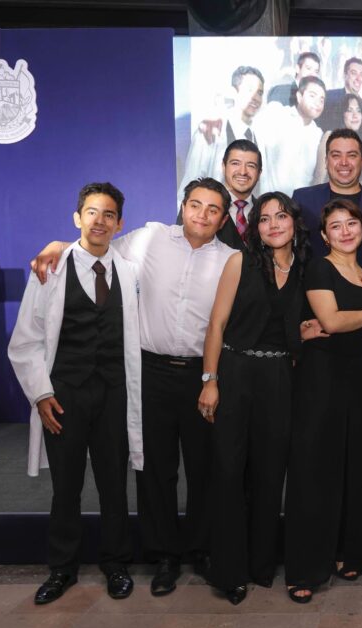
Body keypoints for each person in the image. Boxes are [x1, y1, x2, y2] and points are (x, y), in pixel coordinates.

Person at [31, 177, 240, 596]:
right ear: (183, 206)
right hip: (150, 373)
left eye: (212, 209)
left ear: (223, 219)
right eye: (195, 205)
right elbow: (95, 245)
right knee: (155, 470)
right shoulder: (149, 238)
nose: (202, 214)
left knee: (204, 468)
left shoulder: (232, 258)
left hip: (203, 374)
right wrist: (57, 244)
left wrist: (211, 378)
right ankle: (164, 557)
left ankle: (201, 550)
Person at [9, 182, 141, 604]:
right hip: (63, 394)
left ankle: (116, 564)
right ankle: (62, 569)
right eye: (91, 212)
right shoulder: (50, 269)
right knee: (65, 486)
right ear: (76, 218)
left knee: (113, 484)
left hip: (114, 393)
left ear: (120, 223)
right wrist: (40, 394)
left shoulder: (130, 269)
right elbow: (26, 338)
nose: (99, 221)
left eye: (108, 215)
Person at [198, 192, 317, 604]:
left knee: (270, 474)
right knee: (229, 472)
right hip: (234, 373)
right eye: (264, 219)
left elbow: (295, 325)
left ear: (294, 222)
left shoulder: (305, 268)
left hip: (280, 378)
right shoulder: (240, 262)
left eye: (281, 216)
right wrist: (210, 380)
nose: (273, 225)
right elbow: (216, 325)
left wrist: (305, 334)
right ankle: (229, 571)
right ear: (256, 228)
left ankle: (260, 565)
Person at [285, 199, 362, 603]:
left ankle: (345, 552)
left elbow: (359, 329)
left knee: (351, 465)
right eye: (335, 226)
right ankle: (304, 568)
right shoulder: (320, 268)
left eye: (351, 223)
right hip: (321, 378)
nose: (345, 231)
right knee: (315, 469)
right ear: (324, 235)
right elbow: (332, 322)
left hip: (354, 375)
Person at [293, 128, 362, 423]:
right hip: (315, 324)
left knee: (360, 406)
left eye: (351, 155)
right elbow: (294, 261)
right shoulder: (302, 199)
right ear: (326, 160)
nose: (343, 162)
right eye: (336, 155)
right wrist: (297, 321)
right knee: (316, 405)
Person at [178, 66, 264, 204]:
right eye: (249, 90)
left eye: (259, 93)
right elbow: (190, 185)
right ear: (234, 92)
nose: (255, 97)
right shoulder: (210, 132)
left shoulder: (260, 135)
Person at [181, 139, 261, 250]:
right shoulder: (195, 206)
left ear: (259, 172)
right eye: (235, 163)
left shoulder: (266, 212)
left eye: (251, 165)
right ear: (223, 166)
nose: (243, 172)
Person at [258, 75, 326, 195]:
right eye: (312, 96)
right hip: (270, 200)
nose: (317, 103)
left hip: (299, 204)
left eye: (321, 99)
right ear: (299, 96)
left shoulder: (318, 134)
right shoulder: (278, 115)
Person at [313, 93, 362, 185]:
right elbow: (319, 179)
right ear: (341, 114)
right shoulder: (330, 136)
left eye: (358, 110)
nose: (355, 115)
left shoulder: (361, 141)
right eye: (349, 110)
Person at [320, 57, 362, 132]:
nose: (358, 78)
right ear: (345, 75)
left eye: (361, 74)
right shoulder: (328, 97)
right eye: (354, 73)